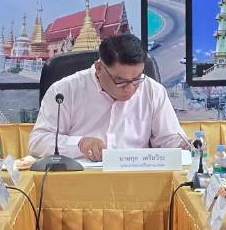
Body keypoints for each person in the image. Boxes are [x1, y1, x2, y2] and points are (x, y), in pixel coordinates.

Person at [28, 34, 187, 161]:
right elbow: (38, 142)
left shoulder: (153, 91)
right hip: (80, 180)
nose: (130, 88)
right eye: (120, 81)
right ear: (99, 68)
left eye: (137, 79)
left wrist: (183, 146)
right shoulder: (64, 91)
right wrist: (79, 144)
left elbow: (169, 139)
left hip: (137, 180)